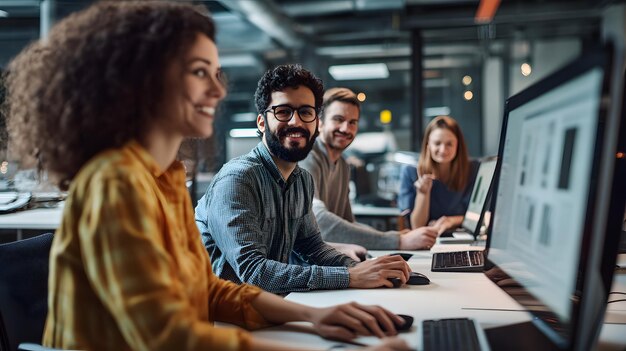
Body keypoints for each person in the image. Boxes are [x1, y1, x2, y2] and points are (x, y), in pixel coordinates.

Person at [3, 3, 411, 350]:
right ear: (144, 83)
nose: (217, 90)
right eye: (200, 72)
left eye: (215, 73)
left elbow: (208, 289)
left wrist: (315, 317)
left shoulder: (167, 179)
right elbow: (168, 336)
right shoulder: (114, 182)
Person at [195, 64, 411, 295]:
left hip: (270, 309)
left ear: (316, 123)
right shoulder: (237, 179)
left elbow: (313, 247)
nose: (296, 122)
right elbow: (253, 272)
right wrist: (349, 276)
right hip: (221, 321)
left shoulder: (302, 181)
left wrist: (364, 269)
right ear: (261, 122)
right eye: (283, 111)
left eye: (305, 112)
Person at [299, 87, 437, 250]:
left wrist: (397, 236)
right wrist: (397, 242)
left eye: (352, 122)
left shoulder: (343, 166)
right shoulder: (307, 157)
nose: (346, 128)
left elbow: (349, 224)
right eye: (338, 119)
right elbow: (318, 222)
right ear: (319, 123)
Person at [398, 116, 479, 233]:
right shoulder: (410, 171)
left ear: (458, 145)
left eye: (449, 144)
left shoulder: (473, 169)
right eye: (437, 143)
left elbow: (481, 216)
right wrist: (423, 193)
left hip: (461, 237)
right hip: (426, 240)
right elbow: (417, 226)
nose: (443, 150)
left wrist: (450, 221)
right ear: (428, 145)